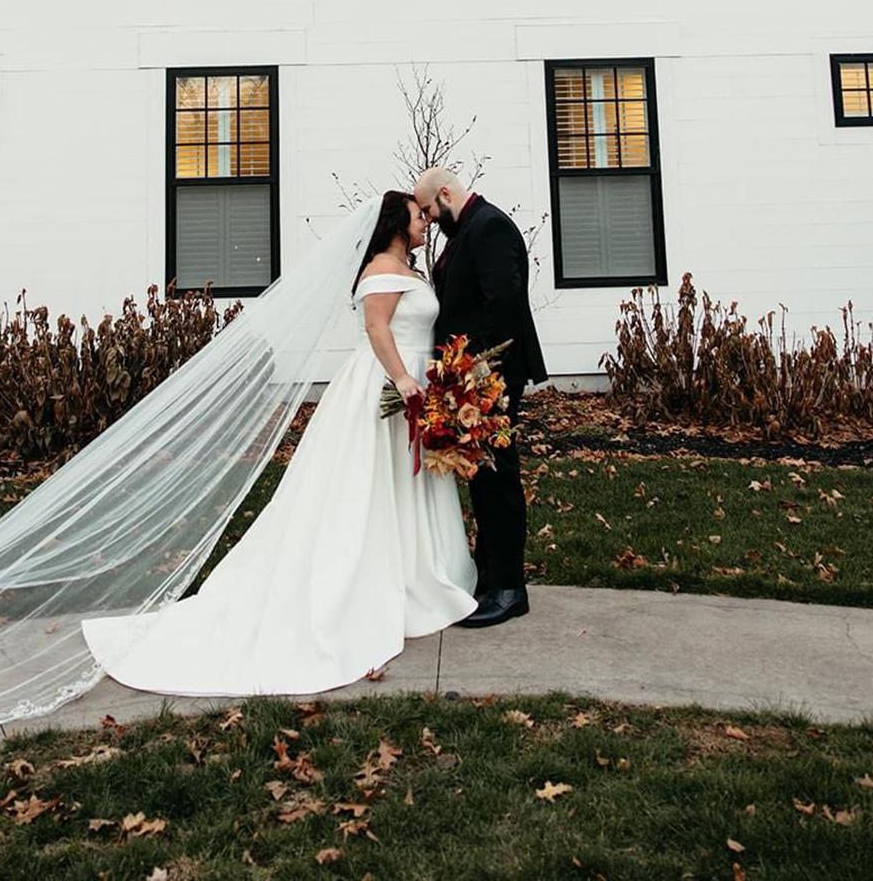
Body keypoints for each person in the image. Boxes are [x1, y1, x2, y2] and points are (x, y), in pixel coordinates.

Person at [80, 190, 477, 695]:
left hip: (416, 384)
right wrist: (404, 380)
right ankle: (378, 584)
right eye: (420, 215)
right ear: (398, 224)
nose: (427, 221)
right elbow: (378, 329)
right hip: (388, 385)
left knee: (405, 486)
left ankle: (419, 575)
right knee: (372, 489)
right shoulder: (381, 268)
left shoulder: (409, 268)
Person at [413, 167, 547, 628]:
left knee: (498, 476)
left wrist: (475, 371)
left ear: (445, 193)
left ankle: (510, 587)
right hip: (471, 375)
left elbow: (503, 305)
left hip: (492, 374)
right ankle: (490, 576)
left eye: (429, 209)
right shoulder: (466, 230)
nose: (428, 220)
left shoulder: (490, 227)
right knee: (483, 477)